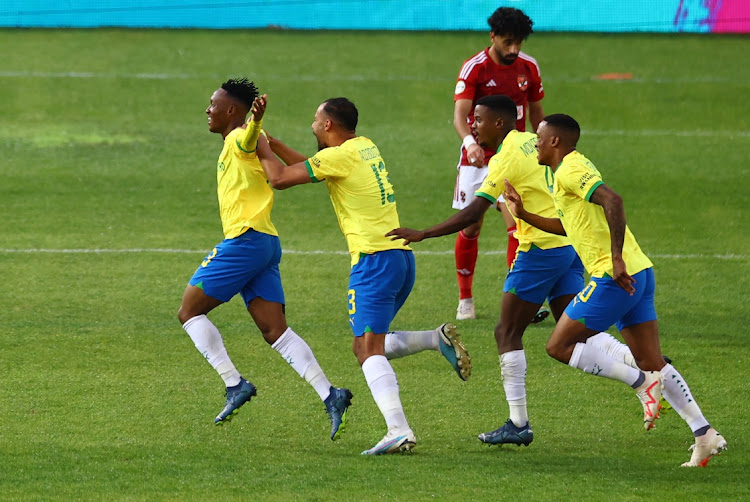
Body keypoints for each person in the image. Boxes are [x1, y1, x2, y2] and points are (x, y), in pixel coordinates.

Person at [387, 95, 647, 447]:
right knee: (572, 322)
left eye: (478, 119)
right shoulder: (532, 141)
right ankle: (645, 364)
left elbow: (473, 211)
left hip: (540, 250)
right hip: (567, 244)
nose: (472, 125)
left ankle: (519, 422)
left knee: (507, 331)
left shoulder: (507, 154)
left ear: (498, 123)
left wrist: (424, 233)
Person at [503, 113, 727, 467]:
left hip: (614, 276)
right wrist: (524, 214)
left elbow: (614, 200)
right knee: (652, 359)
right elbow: (570, 225)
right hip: (640, 273)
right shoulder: (569, 169)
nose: (536, 143)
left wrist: (616, 259)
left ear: (556, 142)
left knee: (558, 345)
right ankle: (704, 434)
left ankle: (641, 384)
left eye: (541, 138)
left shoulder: (569, 170)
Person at [253, 95, 472, 455]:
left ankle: (398, 429)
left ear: (328, 126)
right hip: (400, 260)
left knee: (369, 350)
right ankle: (435, 340)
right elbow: (314, 166)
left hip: (374, 263)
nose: (311, 125)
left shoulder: (340, 156)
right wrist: (273, 143)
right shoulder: (364, 148)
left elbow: (278, 178)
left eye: (314, 119)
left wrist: (258, 143)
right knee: (366, 345)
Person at [177, 78, 352, 442]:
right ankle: (330, 394)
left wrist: (255, 121)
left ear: (232, 111)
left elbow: (249, 134)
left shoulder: (242, 136)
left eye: (213, 104)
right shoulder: (247, 138)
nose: (207, 110)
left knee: (189, 311)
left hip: (246, 241)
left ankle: (234, 384)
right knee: (275, 331)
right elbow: (291, 157)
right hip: (266, 242)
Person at [452, 6, 546, 321]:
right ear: (493, 37)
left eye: (518, 42)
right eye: (507, 42)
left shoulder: (528, 68)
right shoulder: (474, 68)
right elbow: (460, 114)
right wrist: (470, 144)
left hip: (513, 157)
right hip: (476, 158)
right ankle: (466, 298)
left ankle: (518, 299)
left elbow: (537, 115)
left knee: (517, 225)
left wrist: (543, 151)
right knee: (471, 225)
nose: (514, 49)